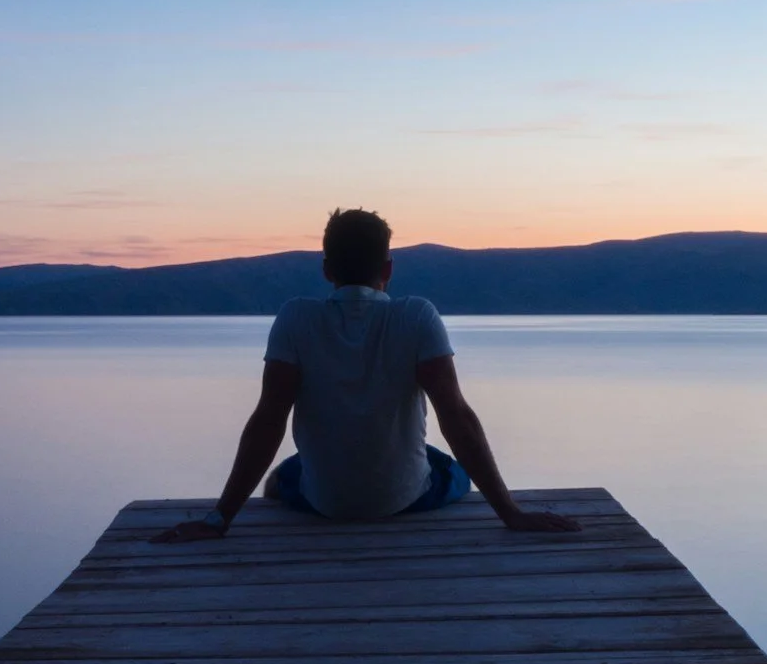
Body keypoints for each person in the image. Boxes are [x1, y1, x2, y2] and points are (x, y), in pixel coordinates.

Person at [153, 208, 581, 542]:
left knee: (281, 479)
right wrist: (510, 513)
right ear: (388, 268)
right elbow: (457, 417)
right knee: (449, 468)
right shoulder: (416, 316)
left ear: (327, 269)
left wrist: (219, 518)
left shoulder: (295, 318)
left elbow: (268, 420)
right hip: (404, 500)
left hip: (325, 503)